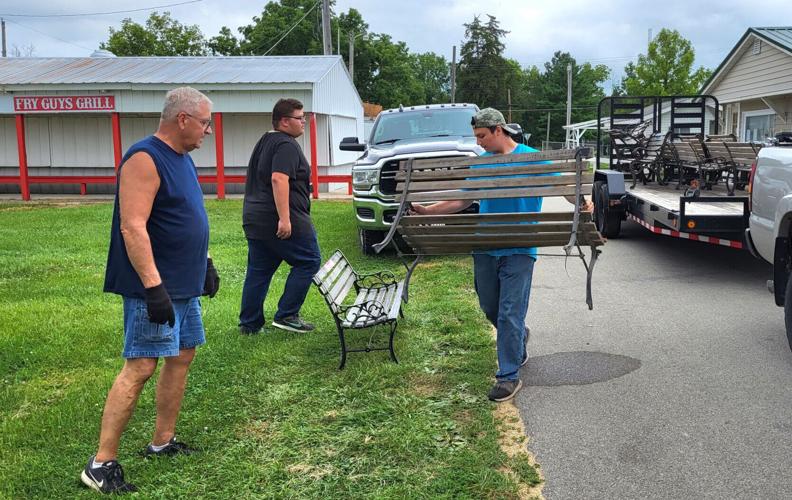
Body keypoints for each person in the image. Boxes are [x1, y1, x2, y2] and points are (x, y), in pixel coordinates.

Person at [81, 87, 220, 494]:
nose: (208, 131)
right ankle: (101, 462)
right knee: (140, 366)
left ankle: (162, 441)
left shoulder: (183, 160)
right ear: (182, 119)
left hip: (184, 283)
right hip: (154, 287)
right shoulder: (144, 158)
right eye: (205, 122)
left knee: (182, 355)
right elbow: (133, 226)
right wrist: (153, 288)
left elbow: (190, 215)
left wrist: (206, 263)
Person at [411, 108, 593, 403]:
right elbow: (462, 198)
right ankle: (518, 339)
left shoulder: (532, 157)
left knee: (509, 312)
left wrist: (582, 203)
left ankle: (508, 376)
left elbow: (564, 187)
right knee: (489, 307)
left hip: (520, 248)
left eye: (482, 136)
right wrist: (428, 211)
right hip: (486, 246)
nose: (479, 142)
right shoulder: (480, 165)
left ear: (498, 130)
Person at [239, 98, 321, 334]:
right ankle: (287, 315)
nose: (304, 122)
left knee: (259, 270)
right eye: (300, 118)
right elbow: (278, 178)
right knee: (308, 260)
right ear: (284, 121)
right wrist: (285, 219)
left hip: (255, 218)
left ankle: (250, 323)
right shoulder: (285, 144)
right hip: (280, 219)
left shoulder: (265, 141)